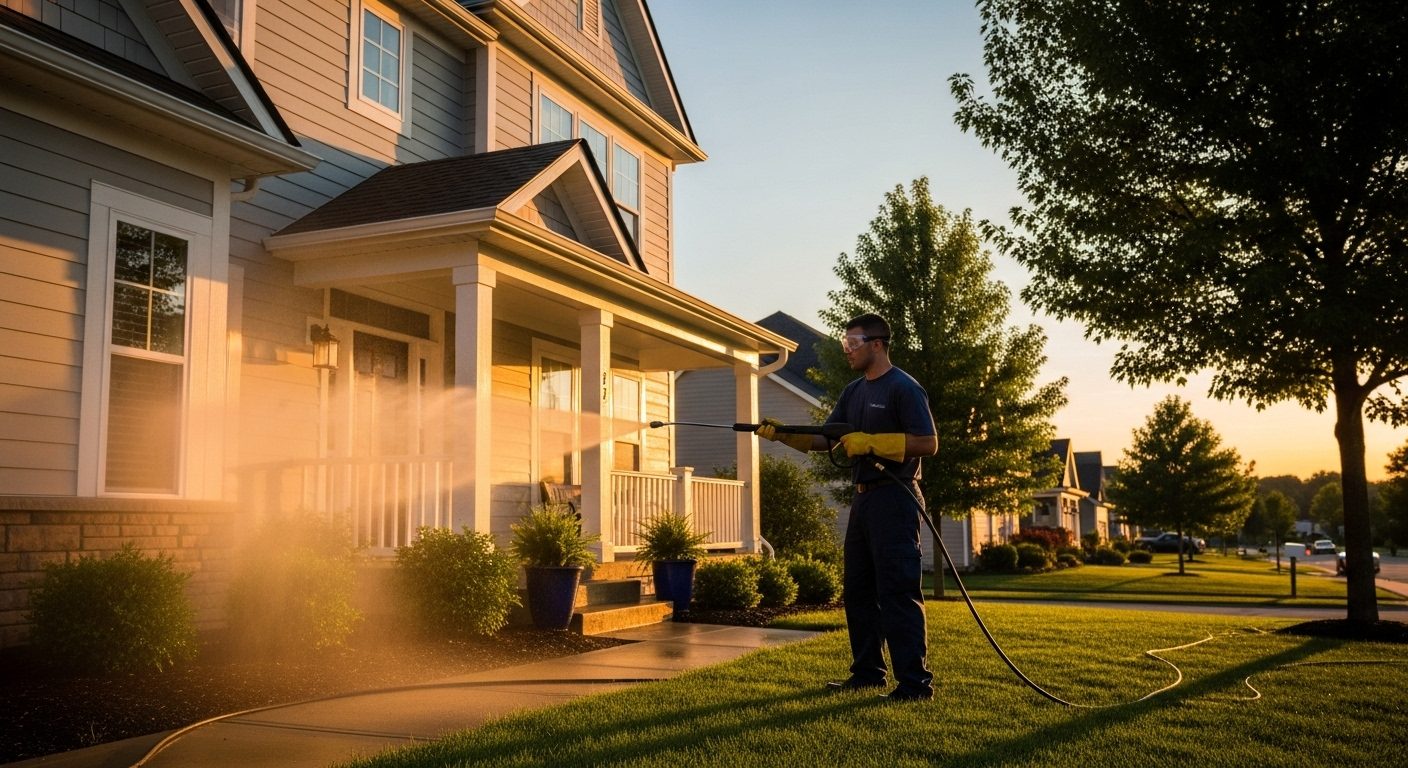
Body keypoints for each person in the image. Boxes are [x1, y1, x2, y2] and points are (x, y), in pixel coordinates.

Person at [756, 312, 938, 701]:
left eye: (852, 343)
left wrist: (873, 442)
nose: (847, 350)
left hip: (896, 497)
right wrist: (783, 435)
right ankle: (869, 673)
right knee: (858, 591)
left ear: (878, 344)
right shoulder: (853, 392)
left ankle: (915, 684)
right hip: (864, 499)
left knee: (898, 591)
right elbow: (828, 440)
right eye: (845, 344)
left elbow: (927, 442)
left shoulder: (904, 387)